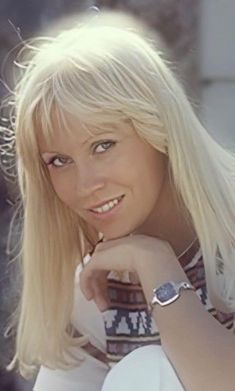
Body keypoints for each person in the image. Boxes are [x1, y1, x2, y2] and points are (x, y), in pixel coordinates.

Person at [2, 9, 235, 391]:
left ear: (158, 128)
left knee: (147, 369)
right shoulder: (95, 280)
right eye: (59, 161)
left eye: (103, 145)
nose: (85, 184)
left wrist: (157, 265)